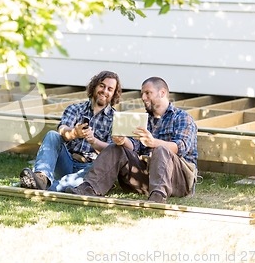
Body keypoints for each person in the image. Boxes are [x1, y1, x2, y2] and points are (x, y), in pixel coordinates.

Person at [67, 76, 198, 204]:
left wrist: (153, 142)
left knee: (161, 149)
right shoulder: (143, 119)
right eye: (142, 94)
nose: (143, 98)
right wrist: (122, 141)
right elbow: (134, 146)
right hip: (146, 177)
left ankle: (158, 197)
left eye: (148, 93)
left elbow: (181, 147)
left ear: (162, 93)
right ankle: (89, 187)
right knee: (115, 148)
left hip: (177, 179)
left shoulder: (182, 118)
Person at [19, 70, 122, 192]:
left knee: (94, 172)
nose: (105, 91)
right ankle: (41, 177)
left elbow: (112, 152)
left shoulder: (116, 119)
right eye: (102, 86)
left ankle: (41, 185)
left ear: (114, 93)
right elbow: (62, 129)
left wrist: (94, 141)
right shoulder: (75, 109)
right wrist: (74, 133)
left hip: (90, 167)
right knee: (52, 135)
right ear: (94, 86)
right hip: (66, 162)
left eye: (110, 89)